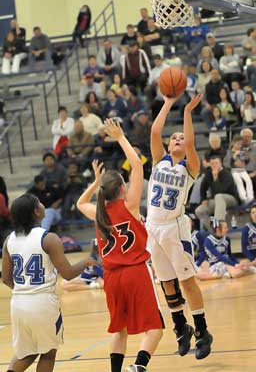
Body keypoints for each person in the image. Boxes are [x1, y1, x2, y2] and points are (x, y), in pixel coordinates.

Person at [77, 119, 164, 372]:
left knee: (120, 329)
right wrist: (121, 137)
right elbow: (137, 165)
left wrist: (95, 183)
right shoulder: (130, 206)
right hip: (136, 272)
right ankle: (138, 367)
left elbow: (80, 204)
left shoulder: (98, 212)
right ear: (123, 188)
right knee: (155, 328)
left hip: (112, 278)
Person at [146, 93, 213, 360]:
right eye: (174, 138)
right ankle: (180, 327)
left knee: (186, 283)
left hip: (175, 227)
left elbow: (192, 143)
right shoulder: (158, 160)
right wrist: (168, 102)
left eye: (181, 138)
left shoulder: (190, 167)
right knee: (166, 284)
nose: (177, 140)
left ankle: (203, 331)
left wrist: (186, 112)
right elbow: (154, 130)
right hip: (153, 226)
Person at [1, 193, 96, 372]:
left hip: (18, 304)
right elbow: (67, 274)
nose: (44, 205)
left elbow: (6, 278)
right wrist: (87, 261)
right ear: (36, 212)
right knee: (48, 353)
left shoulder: (9, 240)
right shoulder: (49, 238)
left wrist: (24, 290)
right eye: (40, 203)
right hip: (42, 303)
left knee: (25, 353)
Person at [195, 156, 239, 231]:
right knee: (199, 210)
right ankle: (214, 230)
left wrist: (215, 177)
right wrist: (204, 199)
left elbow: (221, 190)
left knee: (219, 196)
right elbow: (203, 187)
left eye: (216, 163)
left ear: (220, 164)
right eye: (212, 164)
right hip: (217, 199)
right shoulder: (209, 173)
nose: (214, 165)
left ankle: (219, 223)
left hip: (231, 198)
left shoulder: (226, 173)